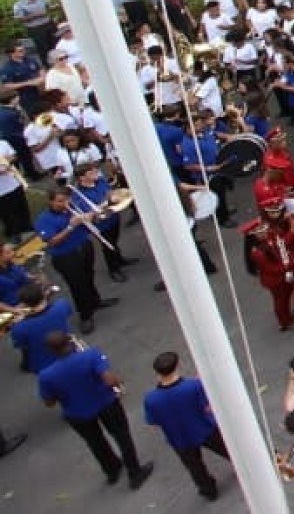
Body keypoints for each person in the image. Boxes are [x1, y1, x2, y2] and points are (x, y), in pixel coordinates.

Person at [37, 331, 154, 488]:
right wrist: (118, 382)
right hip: (105, 403)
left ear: (51, 350)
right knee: (122, 436)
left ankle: (112, 470)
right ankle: (135, 473)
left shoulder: (46, 376)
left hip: (77, 413)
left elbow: (49, 402)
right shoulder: (90, 355)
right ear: (70, 342)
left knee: (95, 442)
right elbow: (109, 379)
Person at [143, 351, 230, 501]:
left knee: (194, 466)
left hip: (179, 438)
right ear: (177, 366)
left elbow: (153, 420)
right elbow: (206, 406)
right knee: (225, 448)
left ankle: (208, 490)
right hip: (204, 428)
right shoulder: (193, 386)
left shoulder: (151, 399)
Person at [35, 184, 112, 332]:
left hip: (84, 246)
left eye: (66, 200)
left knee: (89, 275)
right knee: (77, 285)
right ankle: (85, 315)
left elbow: (89, 223)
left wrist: (91, 217)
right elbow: (51, 241)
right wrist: (70, 226)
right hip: (66, 256)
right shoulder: (44, 219)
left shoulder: (73, 208)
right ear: (51, 202)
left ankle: (95, 301)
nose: (65, 204)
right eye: (60, 201)